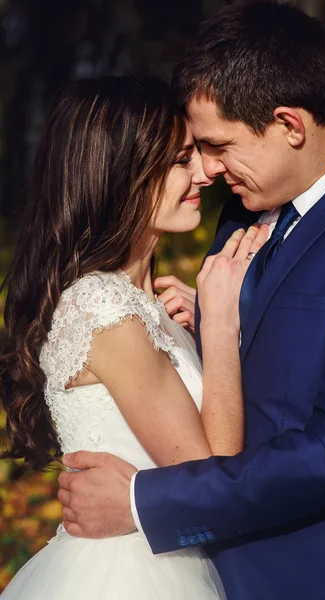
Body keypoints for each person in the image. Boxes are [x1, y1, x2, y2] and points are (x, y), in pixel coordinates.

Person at [59, 2, 325, 599]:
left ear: (290, 124)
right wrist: (206, 329)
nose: (208, 171)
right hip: (199, 569)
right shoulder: (246, 202)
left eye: (217, 146)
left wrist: (143, 502)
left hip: (312, 576)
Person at [0, 74, 269, 599]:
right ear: (122, 174)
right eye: (180, 160)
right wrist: (221, 325)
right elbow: (210, 475)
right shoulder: (102, 308)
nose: (205, 173)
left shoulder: (141, 305)